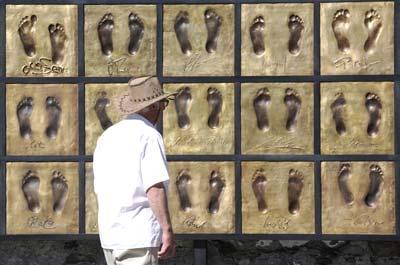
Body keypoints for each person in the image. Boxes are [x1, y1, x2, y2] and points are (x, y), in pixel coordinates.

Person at [93, 76, 176, 265]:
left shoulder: (107, 136)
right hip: (139, 233)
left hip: (110, 233)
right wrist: (166, 230)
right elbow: (154, 188)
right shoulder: (149, 136)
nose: (164, 109)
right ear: (154, 106)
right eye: (164, 104)